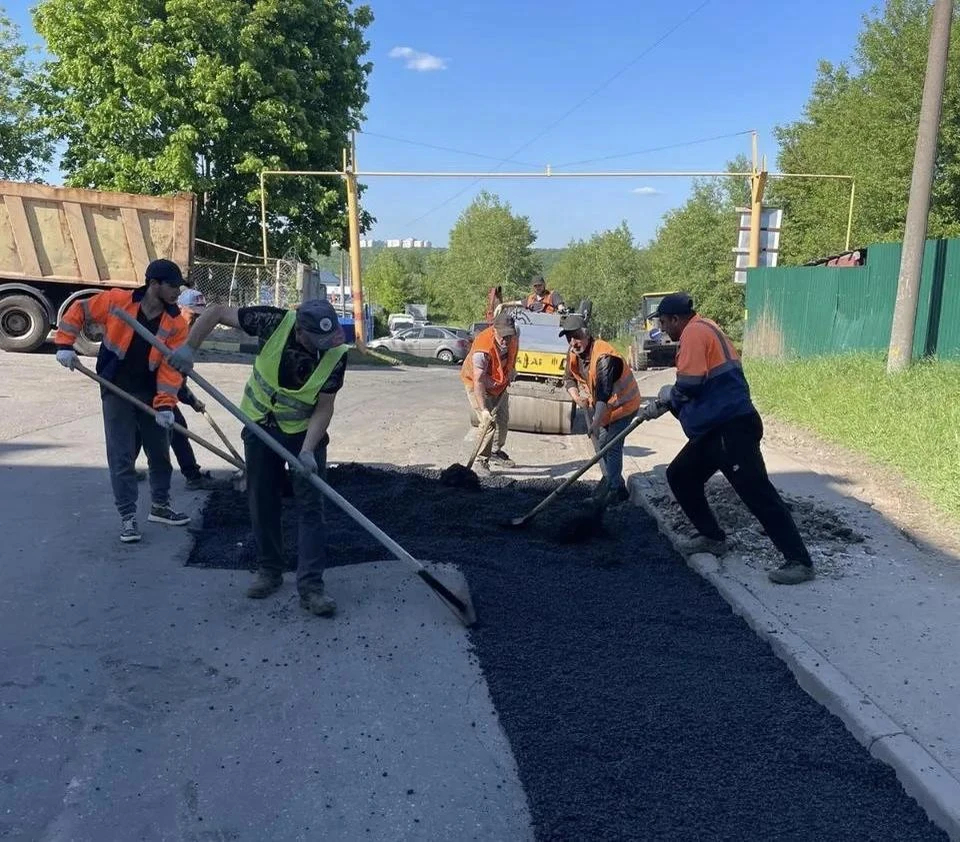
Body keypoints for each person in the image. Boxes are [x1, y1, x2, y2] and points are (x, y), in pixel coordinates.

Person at [166, 298, 348, 617]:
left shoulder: (336, 354)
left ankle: (311, 587)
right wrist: (189, 348)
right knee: (262, 500)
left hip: (304, 433)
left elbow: (324, 408)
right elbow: (216, 311)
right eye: (316, 341)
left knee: (311, 508)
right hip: (259, 426)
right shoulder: (273, 322)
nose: (323, 347)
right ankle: (269, 570)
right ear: (300, 331)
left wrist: (307, 451)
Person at [638, 292, 815, 585]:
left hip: (732, 429)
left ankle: (800, 562)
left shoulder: (694, 333)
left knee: (757, 493)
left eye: (664, 322)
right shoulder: (706, 327)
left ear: (675, 319)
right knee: (681, 475)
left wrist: (669, 397)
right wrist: (667, 402)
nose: (663, 328)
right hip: (714, 428)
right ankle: (712, 537)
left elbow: (690, 384)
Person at [54, 259, 192, 543]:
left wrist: (165, 404)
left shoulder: (176, 323)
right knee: (122, 455)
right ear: (154, 284)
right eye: (172, 286)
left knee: (159, 452)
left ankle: (160, 506)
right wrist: (65, 344)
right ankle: (128, 517)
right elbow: (79, 309)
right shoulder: (118, 301)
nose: (177, 292)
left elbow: (170, 368)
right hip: (115, 387)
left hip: (151, 392)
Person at [133, 288, 218, 491]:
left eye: (198, 317)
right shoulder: (168, 330)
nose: (195, 321)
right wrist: (189, 399)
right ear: (179, 308)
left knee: (141, 429)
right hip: (152, 389)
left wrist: (191, 399)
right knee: (177, 429)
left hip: (161, 390)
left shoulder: (185, 333)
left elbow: (177, 377)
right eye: (192, 315)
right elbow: (169, 376)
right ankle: (193, 476)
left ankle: (126, 468)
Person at [560, 313, 640, 504]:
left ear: (587, 334)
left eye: (577, 336)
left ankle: (614, 490)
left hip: (625, 405)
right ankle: (614, 483)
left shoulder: (604, 357)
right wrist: (577, 398)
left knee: (611, 444)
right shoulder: (574, 353)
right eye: (569, 338)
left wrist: (595, 423)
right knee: (604, 445)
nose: (573, 342)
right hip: (606, 409)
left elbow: (603, 394)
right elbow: (568, 379)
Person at [460, 312, 519, 475]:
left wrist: (512, 368)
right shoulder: (482, 348)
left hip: (499, 384)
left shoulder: (513, 336)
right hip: (477, 385)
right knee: (488, 423)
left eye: (509, 336)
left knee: (503, 420)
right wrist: (484, 409)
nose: (506, 340)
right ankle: (481, 460)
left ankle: (494, 451)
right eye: (503, 336)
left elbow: (514, 351)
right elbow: (478, 381)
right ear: (494, 330)